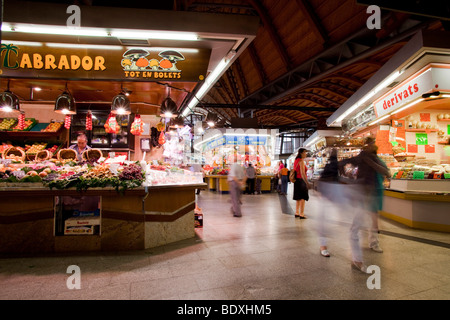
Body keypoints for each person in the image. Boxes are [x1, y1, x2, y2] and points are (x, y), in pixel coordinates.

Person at [339, 137, 390, 273]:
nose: (372, 146)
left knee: (362, 223)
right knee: (359, 225)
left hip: (368, 193)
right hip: (365, 194)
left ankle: (361, 255)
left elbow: (385, 171)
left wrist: (347, 177)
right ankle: (359, 257)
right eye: (371, 144)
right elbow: (344, 163)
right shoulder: (366, 157)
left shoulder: (370, 158)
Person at [316, 148, 340, 257]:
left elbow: (322, 178)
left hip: (326, 194)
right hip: (329, 194)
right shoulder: (336, 166)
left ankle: (323, 246)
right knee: (324, 220)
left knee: (323, 220)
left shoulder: (328, 165)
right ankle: (323, 246)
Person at [293, 148, 310, 218]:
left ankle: (297, 212)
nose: (306, 154)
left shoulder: (296, 160)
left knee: (298, 197)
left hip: (296, 180)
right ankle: (302, 213)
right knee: (303, 197)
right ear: (301, 153)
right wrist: (307, 182)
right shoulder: (301, 161)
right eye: (305, 152)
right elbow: (302, 173)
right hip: (301, 180)